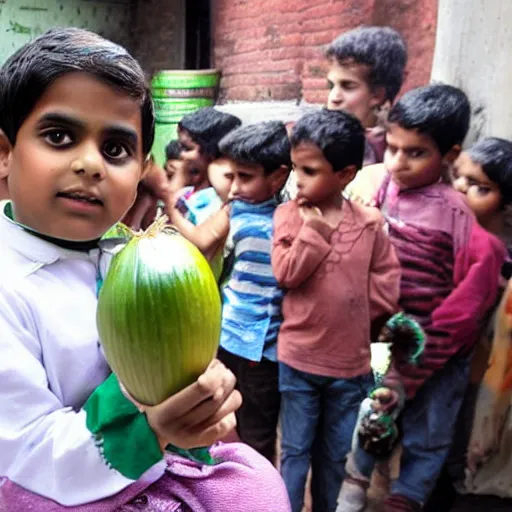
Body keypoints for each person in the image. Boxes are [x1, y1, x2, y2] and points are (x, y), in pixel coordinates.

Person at [0, 27, 291, 512]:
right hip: (48, 481)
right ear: (4, 154)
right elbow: (28, 448)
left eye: (115, 149)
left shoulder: (127, 256)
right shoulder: (8, 285)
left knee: (256, 486)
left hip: (149, 464)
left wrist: (203, 397)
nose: (91, 163)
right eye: (59, 136)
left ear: (140, 173)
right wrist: (149, 422)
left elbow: (179, 368)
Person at [337, 85, 506, 512]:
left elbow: (463, 311)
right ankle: (355, 487)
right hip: (389, 338)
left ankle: (407, 498)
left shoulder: (458, 214)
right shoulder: (385, 190)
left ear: (448, 155)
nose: (396, 162)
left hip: (438, 349)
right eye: (392, 148)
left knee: (429, 433)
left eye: (415, 153)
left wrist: (420, 359)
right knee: (375, 416)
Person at [272, 108, 401, 512]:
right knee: (293, 453)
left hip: (349, 368)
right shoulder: (289, 216)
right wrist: (314, 232)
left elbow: (385, 282)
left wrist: (365, 321)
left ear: (345, 174)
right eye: (295, 168)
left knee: (332, 457)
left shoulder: (368, 223)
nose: (298, 180)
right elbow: (286, 274)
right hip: (299, 361)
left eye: (309, 170)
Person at [216, 121, 291, 465]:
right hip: (228, 338)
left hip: (259, 351)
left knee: (257, 434)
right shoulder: (241, 209)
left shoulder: (283, 226)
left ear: (277, 178)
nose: (234, 188)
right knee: (225, 422)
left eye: (245, 177)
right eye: (232, 176)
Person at [325, 25, 407, 166]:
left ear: (377, 95)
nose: (333, 98)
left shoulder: (398, 150)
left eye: (347, 86)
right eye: (331, 86)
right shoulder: (315, 137)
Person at [175, 107, 241, 225]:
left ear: (210, 152)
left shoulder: (214, 202)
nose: (182, 155)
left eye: (187, 149)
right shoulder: (187, 192)